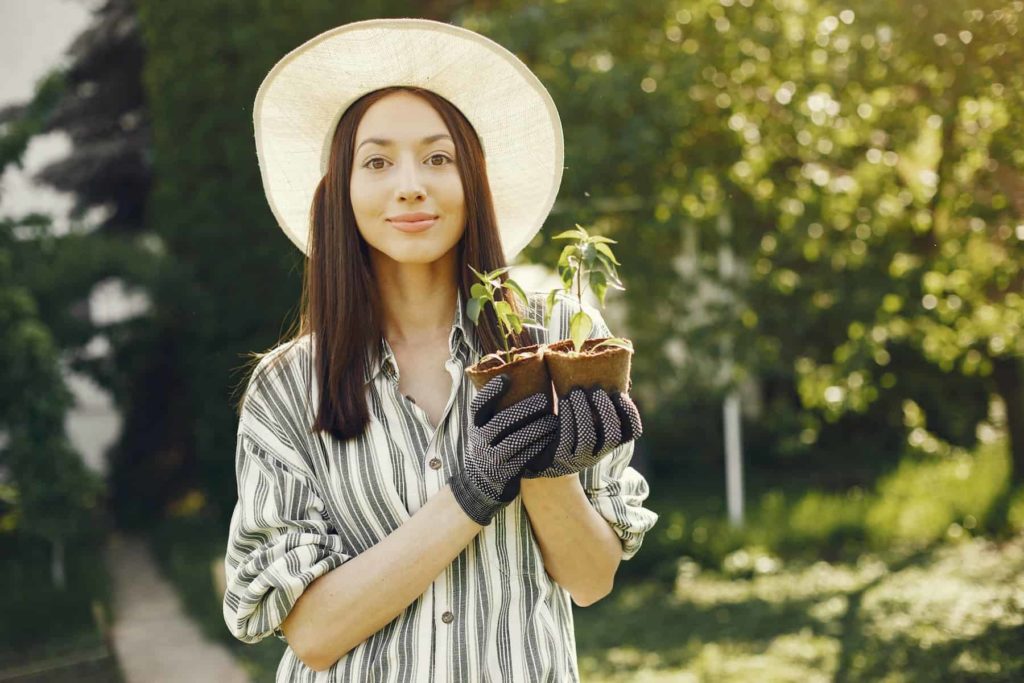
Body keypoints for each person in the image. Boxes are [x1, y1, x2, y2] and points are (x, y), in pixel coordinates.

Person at [222, 17, 659, 681]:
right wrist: (476, 487)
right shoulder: (287, 388)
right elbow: (312, 631)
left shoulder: (561, 333)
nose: (409, 185)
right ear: (340, 190)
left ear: (473, 179)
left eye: (437, 157)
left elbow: (591, 577)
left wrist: (549, 466)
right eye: (376, 161)